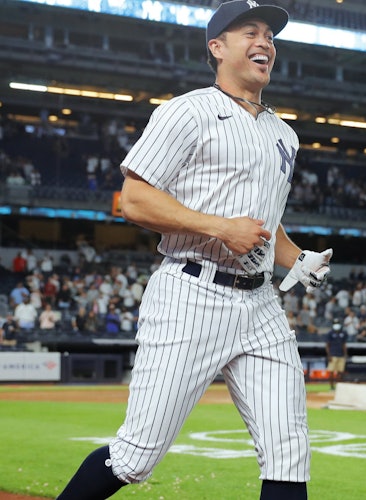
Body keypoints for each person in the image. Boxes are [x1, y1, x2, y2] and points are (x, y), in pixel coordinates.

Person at [57, 2, 332, 499]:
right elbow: (135, 199)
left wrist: (296, 257)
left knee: (289, 454)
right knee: (134, 457)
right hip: (192, 292)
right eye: (250, 32)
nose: (264, 42)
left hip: (261, 303)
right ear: (217, 47)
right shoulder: (187, 111)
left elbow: (263, 221)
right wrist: (220, 228)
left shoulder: (283, 133)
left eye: (269, 35)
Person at [325, 318, 348, 389]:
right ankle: (332, 387)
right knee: (331, 372)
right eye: (335, 323)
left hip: (341, 355)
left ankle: (338, 387)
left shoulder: (343, 333)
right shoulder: (330, 333)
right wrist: (329, 355)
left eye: (337, 323)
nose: (336, 325)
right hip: (333, 355)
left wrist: (345, 354)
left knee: (340, 372)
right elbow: (327, 345)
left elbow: (344, 344)